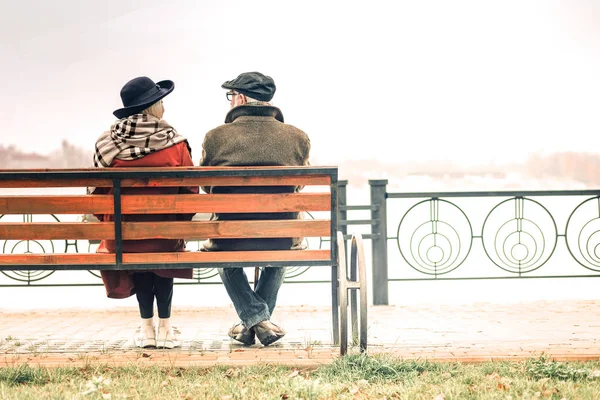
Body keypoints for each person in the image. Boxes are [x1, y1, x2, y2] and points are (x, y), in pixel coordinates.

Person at [199, 72, 311, 346]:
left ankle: (254, 320)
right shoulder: (297, 137)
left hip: (229, 236)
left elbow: (204, 185)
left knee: (222, 256)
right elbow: (301, 185)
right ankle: (261, 322)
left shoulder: (216, 138)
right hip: (281, 235)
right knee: (282, 251)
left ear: (239, 98)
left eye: (230, 96)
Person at [91, 76, 199, 349]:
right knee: (162, 247)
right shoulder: (175, 143)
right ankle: (165, 327)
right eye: (161, 102)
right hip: (167, 234)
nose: (164, 107)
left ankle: (146, 328)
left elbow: (97, 197)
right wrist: (176, 223)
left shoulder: (107, 143)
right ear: (153, 107)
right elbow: (191, 195)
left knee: (137, 248)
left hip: (123, 238)